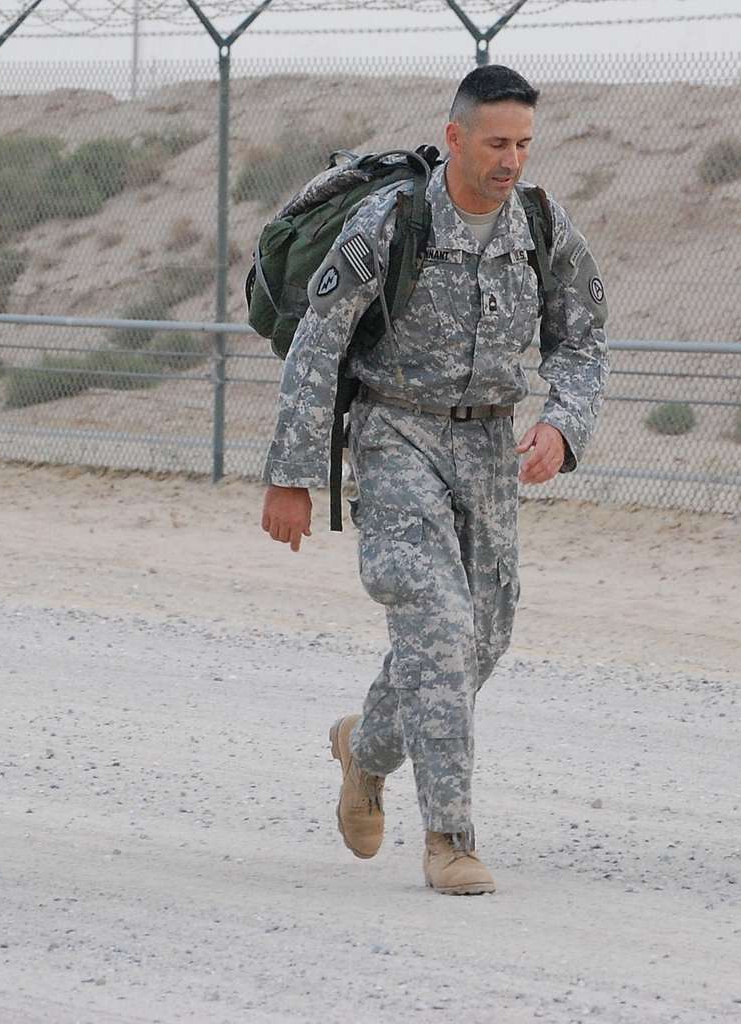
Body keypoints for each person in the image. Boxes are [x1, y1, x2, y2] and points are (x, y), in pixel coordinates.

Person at [260, 65, 609, 895]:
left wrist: (563, 426)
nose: (511, 160)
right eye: (496, 143)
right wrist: (292, 476)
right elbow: (318, 344)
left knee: (483, 639)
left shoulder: (542, 223)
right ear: (455, 137)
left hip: (489, 447)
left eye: (523, 143)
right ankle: (450, 838)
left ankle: (365, 747)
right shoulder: (391, 222)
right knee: (439, 622)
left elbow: (584, 339)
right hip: (394, 436)